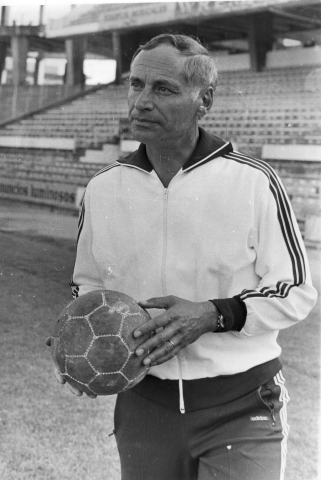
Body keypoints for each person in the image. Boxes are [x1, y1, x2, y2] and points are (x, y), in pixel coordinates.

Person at [53, 34, 317, 480]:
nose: (142, 101)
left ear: (204, 100)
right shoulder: (103, 190)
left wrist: (214, 314)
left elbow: (295, 291)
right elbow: (89, 285)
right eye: (136, 85)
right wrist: (81, 338)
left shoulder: (254, 183)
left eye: (164, 89)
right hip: (144, 405)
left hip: (242, 402)